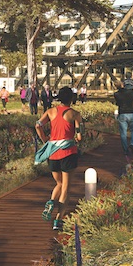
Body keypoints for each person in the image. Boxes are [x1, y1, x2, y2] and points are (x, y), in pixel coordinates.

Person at [34, 86, 82, 231]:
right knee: (66, 187)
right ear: (71, 99)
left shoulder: (50, 112)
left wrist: (45, 140)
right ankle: (58, 220)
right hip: (68, 153)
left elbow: (37, 125)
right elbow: (79, 136)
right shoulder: (75, 114)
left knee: (59, 183)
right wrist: (76, 137)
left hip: (52, 153)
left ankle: (51, 202)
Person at [114, 77, 133, 164]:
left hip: (122, 114)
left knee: (123, 133)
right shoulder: (131, 92)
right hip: (131, 113)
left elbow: (118, 103)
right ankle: (132, 144)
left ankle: (126, 150)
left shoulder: (116, 94)